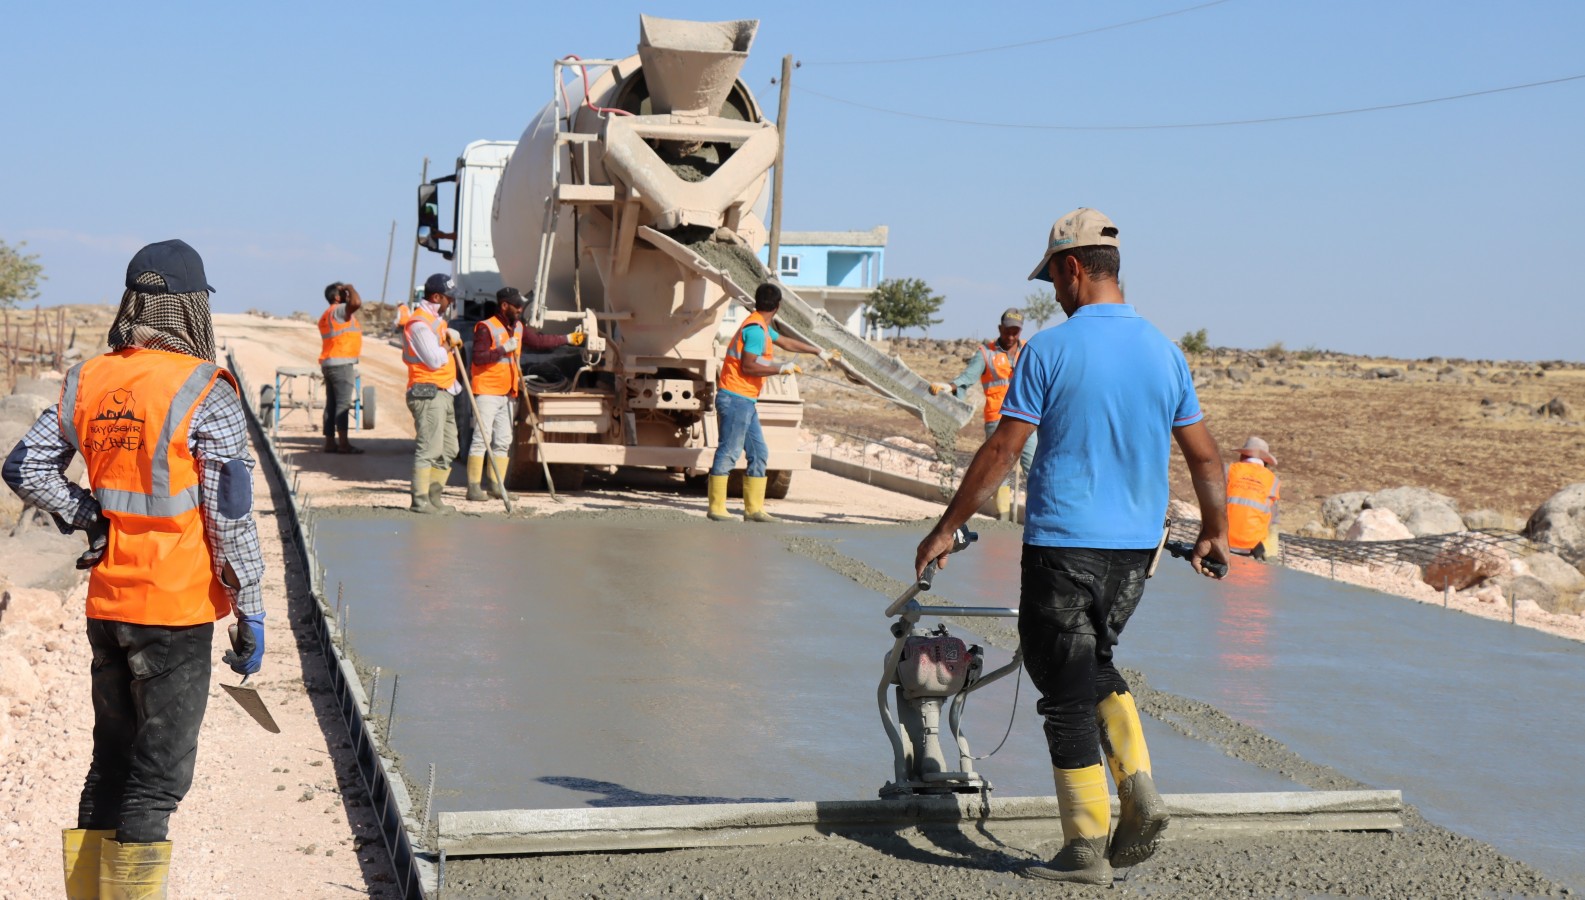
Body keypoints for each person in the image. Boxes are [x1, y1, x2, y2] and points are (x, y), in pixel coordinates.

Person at [914, 208, 1230, 885]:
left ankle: (1084, 848)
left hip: (1063, 545)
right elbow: (1204, 457)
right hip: (1135, 554)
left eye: (1054, 279)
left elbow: (1003, 447)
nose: (1054, 293)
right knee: (1094, 663)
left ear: (1073, 268)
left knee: (1061, 693)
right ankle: (1137, 787)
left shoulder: (1049, 350)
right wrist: (1213, 530)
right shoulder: (1162, 350)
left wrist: (946, 526)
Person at [2, 239, 266, 898]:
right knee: (158, 782)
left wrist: (88, 516)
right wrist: (250, 606)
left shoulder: (88, 379)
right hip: (173, 614)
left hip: (108, 605)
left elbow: (23, 465)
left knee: (110, 768)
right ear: (192, 308)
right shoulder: (207, 389)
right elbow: (228, 518)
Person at [708, 281, 836, 523]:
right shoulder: (756, 330)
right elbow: (748, 365)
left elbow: (786, 342)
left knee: (759, 452)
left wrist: (819, 351)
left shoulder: (761, 326)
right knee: (730, 451)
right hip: (736, 398)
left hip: (745, 400)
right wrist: (781, 368)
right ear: (778, 306)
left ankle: (754, 510)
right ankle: (716, 508)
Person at [465, 287, 585, 501]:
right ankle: (473, 488)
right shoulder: (485, 328)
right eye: (517, 305)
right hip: (487, 391)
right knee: (482, 438)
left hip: (509, 392)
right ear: (504, 305)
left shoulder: (518, 327)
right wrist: (503, 349)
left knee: (503, 440)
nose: (521, 309)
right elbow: (479, 358)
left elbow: (539, 342)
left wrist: (567, 338)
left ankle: (496, 486)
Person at [931, 307, 1038, 518]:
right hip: (997, 420)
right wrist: (949, 387)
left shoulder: (1028, 350)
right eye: (1007, 331)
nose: (1011, 336)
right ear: (1000, 328)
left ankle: (1037, 520)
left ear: (1020, 331)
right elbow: (967, 377)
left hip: (1026, 419)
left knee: (1034, 468)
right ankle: (1004, 519)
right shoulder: (985, 353)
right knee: (1000, 471)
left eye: (1015, 331)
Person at [403, 273, 464, 514]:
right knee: (429, 448)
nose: (451, 302)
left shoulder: (435, 320)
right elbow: (434, 359)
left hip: (444, 391)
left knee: (449, 449)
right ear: (437, 297)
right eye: (449, 298)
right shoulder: (419, 324)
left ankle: (434, 497)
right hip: (427, 392)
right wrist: (450, 344)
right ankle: (420, 501)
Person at [318, 281, 364, 454]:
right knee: (343, 405)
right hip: (341, 364)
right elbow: (356, 303)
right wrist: (351, 287)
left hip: (329, 363)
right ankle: (344, 444)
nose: (348, 295)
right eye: (344, 293)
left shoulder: (327, 314)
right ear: (337, 297)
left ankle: (330, 443)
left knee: (331, 404)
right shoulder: (338, 311)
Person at [1226, 436, 1280, 560]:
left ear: (1242, 456)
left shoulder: (1228, 470)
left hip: (1221, 542)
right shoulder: (1273, 481)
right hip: (1252, 549)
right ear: (1265, 462)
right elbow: (1273, 521)